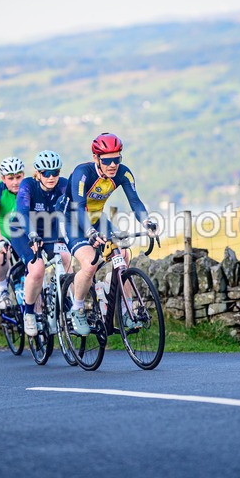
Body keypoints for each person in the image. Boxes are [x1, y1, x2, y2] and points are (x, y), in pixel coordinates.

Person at [59, 133, 157, 336]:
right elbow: (78, 207)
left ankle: (125, 309)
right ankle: (77, 309)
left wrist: (147, 222)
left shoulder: (123, 173)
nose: (113, 164)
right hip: (72, 221)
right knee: (90, 263)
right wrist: (90, 233)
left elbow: (135, 201)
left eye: (117, 159)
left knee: (123, 255)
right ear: (96, 158)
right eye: (107, 160)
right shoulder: (82, 173)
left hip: (96, 218)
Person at [9, 151, 70, 336]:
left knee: (66, 257)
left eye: (55, 172)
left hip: (49, 231)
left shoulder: (63, 185)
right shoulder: (28, 185)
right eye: (46, 173)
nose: (51, 177)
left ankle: (63, 298)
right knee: (37, 268)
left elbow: (72, 212)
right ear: (38, 173)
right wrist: (33, 235)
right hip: (23, 230)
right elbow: (22, 212)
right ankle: (28, 312)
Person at [0, 157, 25, 310]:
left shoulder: (27, 188)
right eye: (11, 178)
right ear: (3, 178)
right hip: (0, 234)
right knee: (2, 255)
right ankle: (2, 289)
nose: (15, 182)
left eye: (18, 177)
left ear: (23, 175)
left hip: (20, 235)